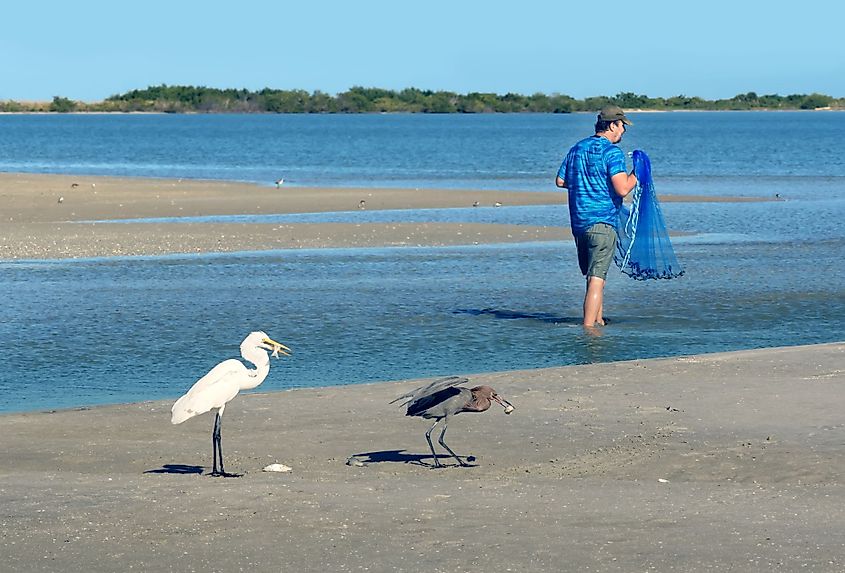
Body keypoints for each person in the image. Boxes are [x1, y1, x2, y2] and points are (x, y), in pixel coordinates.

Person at [555, 105, 638, 328]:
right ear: (612, 125)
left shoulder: (577, 149)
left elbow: (561, 181)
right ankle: (589, 330)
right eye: (622, 127)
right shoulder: (612, 153)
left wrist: (586, 183)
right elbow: (622, 189)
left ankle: (598, 320)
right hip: (602, 223)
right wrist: (638, 173)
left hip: (580, 224)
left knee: (592, 277)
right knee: (597, 279)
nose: (623, 132)